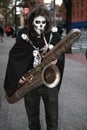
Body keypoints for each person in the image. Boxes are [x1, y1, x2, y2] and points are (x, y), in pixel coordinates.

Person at [4, 4, 65, 130]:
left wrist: (57, 59)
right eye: (37, 22)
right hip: (30, 85)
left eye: (44, 22)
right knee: (33, 120)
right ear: (32, 22)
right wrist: (18, 76)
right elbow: (15, 57)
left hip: (49, 83)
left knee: (53, 121)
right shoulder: (24, 37)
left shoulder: (54, 36)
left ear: (47, 22)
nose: (41, 25)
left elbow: (62, 55)